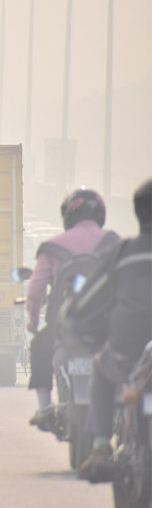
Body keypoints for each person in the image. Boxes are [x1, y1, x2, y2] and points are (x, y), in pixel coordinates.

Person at [76, 179, 152, 480]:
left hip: (127, 353)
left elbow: (87, 301)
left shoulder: (123, 253)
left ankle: (100, 445)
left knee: (100, 368)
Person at [26, 188, 119, 427]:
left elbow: (35, 291)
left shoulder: (51, 247)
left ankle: (45, 406)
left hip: (63, 327)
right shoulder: (114, 242)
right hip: (107, 326)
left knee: (39, 346)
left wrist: (34, 322)